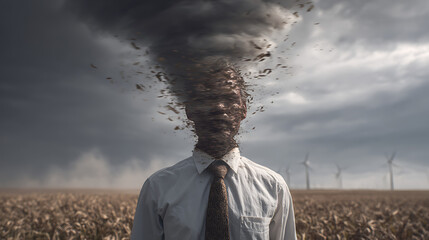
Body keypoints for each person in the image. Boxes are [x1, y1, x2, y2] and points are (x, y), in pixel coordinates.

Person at [131, 65, 297, 240]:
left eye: (229, 97)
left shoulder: (273, 187)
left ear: (243, 109)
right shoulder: (158, 188)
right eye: (206, 98)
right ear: (190, 110)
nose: (218, 107)